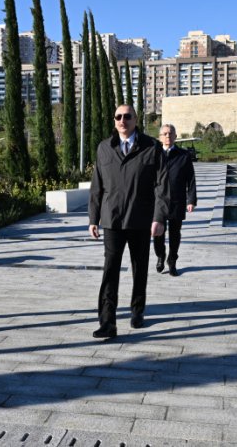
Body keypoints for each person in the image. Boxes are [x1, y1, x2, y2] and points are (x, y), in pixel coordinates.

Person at [89, 104, 169, 339]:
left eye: (127, 116)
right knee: (110, 270)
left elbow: (162, 186)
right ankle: (107, 322)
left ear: (136, 119)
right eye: (118, 117)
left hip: (140, 218)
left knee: (139, 268)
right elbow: (97, 186)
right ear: (114, 121)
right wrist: (93, 218)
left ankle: (137, 310)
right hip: (112, 219)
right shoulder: (104, 148)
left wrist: (159, 217)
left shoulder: (151, 147)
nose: (122, 120)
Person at [154, 124, 196, 277]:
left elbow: (190, 179)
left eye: (170, 133)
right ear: (160, 137)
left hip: (177, 200)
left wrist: (191, 200)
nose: (167, 136)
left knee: (175, 234)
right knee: (157, 233)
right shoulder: (155, 154)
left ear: (175, 136)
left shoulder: (183, 155)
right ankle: (160, 255)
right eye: (164, 134)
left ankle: (172, 261)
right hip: (158, 201)